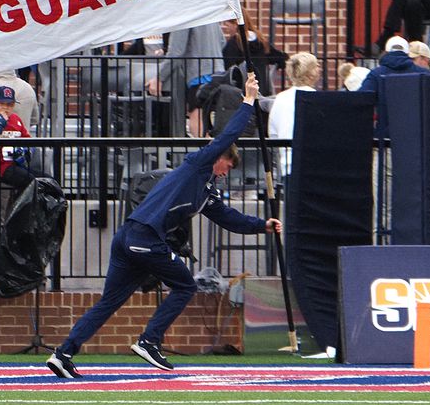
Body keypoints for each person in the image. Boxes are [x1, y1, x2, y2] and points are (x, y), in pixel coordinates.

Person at [46, 71, 280, 378]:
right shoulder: (197, 165)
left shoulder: (205, 191)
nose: (226, 173)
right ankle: (149, 340)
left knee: (110, 302)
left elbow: (228, 218)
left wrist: (262, 225)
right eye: (227, 166)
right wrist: (248, 101)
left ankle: (62, 354)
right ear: (218, 157)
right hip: (143, 236)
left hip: (131, 237)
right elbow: (228, 136)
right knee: (185, 284)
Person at [266, 51, 319, 179]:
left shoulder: (280, 98)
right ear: (311, 72)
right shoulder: (317, 98)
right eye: (316, 66)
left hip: (286, 164)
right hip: (313, 165)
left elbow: (272, 132)